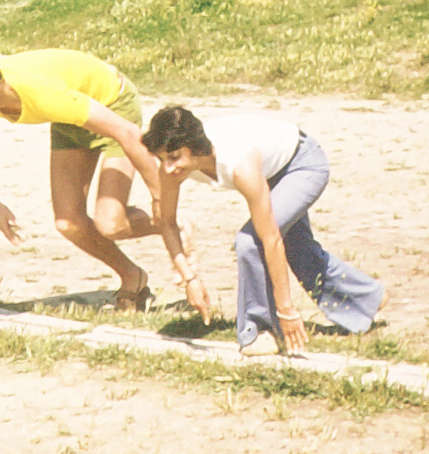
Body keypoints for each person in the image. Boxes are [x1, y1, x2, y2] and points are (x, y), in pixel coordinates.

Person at [143, 105, 386, 353]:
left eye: (174, 157)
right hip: (269, 167)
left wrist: (286, 310)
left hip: (302, 164)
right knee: (298, 247)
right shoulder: (172, 169)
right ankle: (364, 298)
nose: (168, 168)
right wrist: (190, 279)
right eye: (162, 159)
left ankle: (261, 330)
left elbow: (270, 240)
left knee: (250, 241)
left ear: (194, 145)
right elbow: (167, 222)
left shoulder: (238, 164)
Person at [0, 48, 163, 311]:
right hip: (69, 117)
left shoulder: (42, 94)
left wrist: (161, 199)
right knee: (68, 223)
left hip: (111, 103)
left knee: (111, 223)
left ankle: (173, 222)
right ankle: (132, 276)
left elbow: (128, 133)